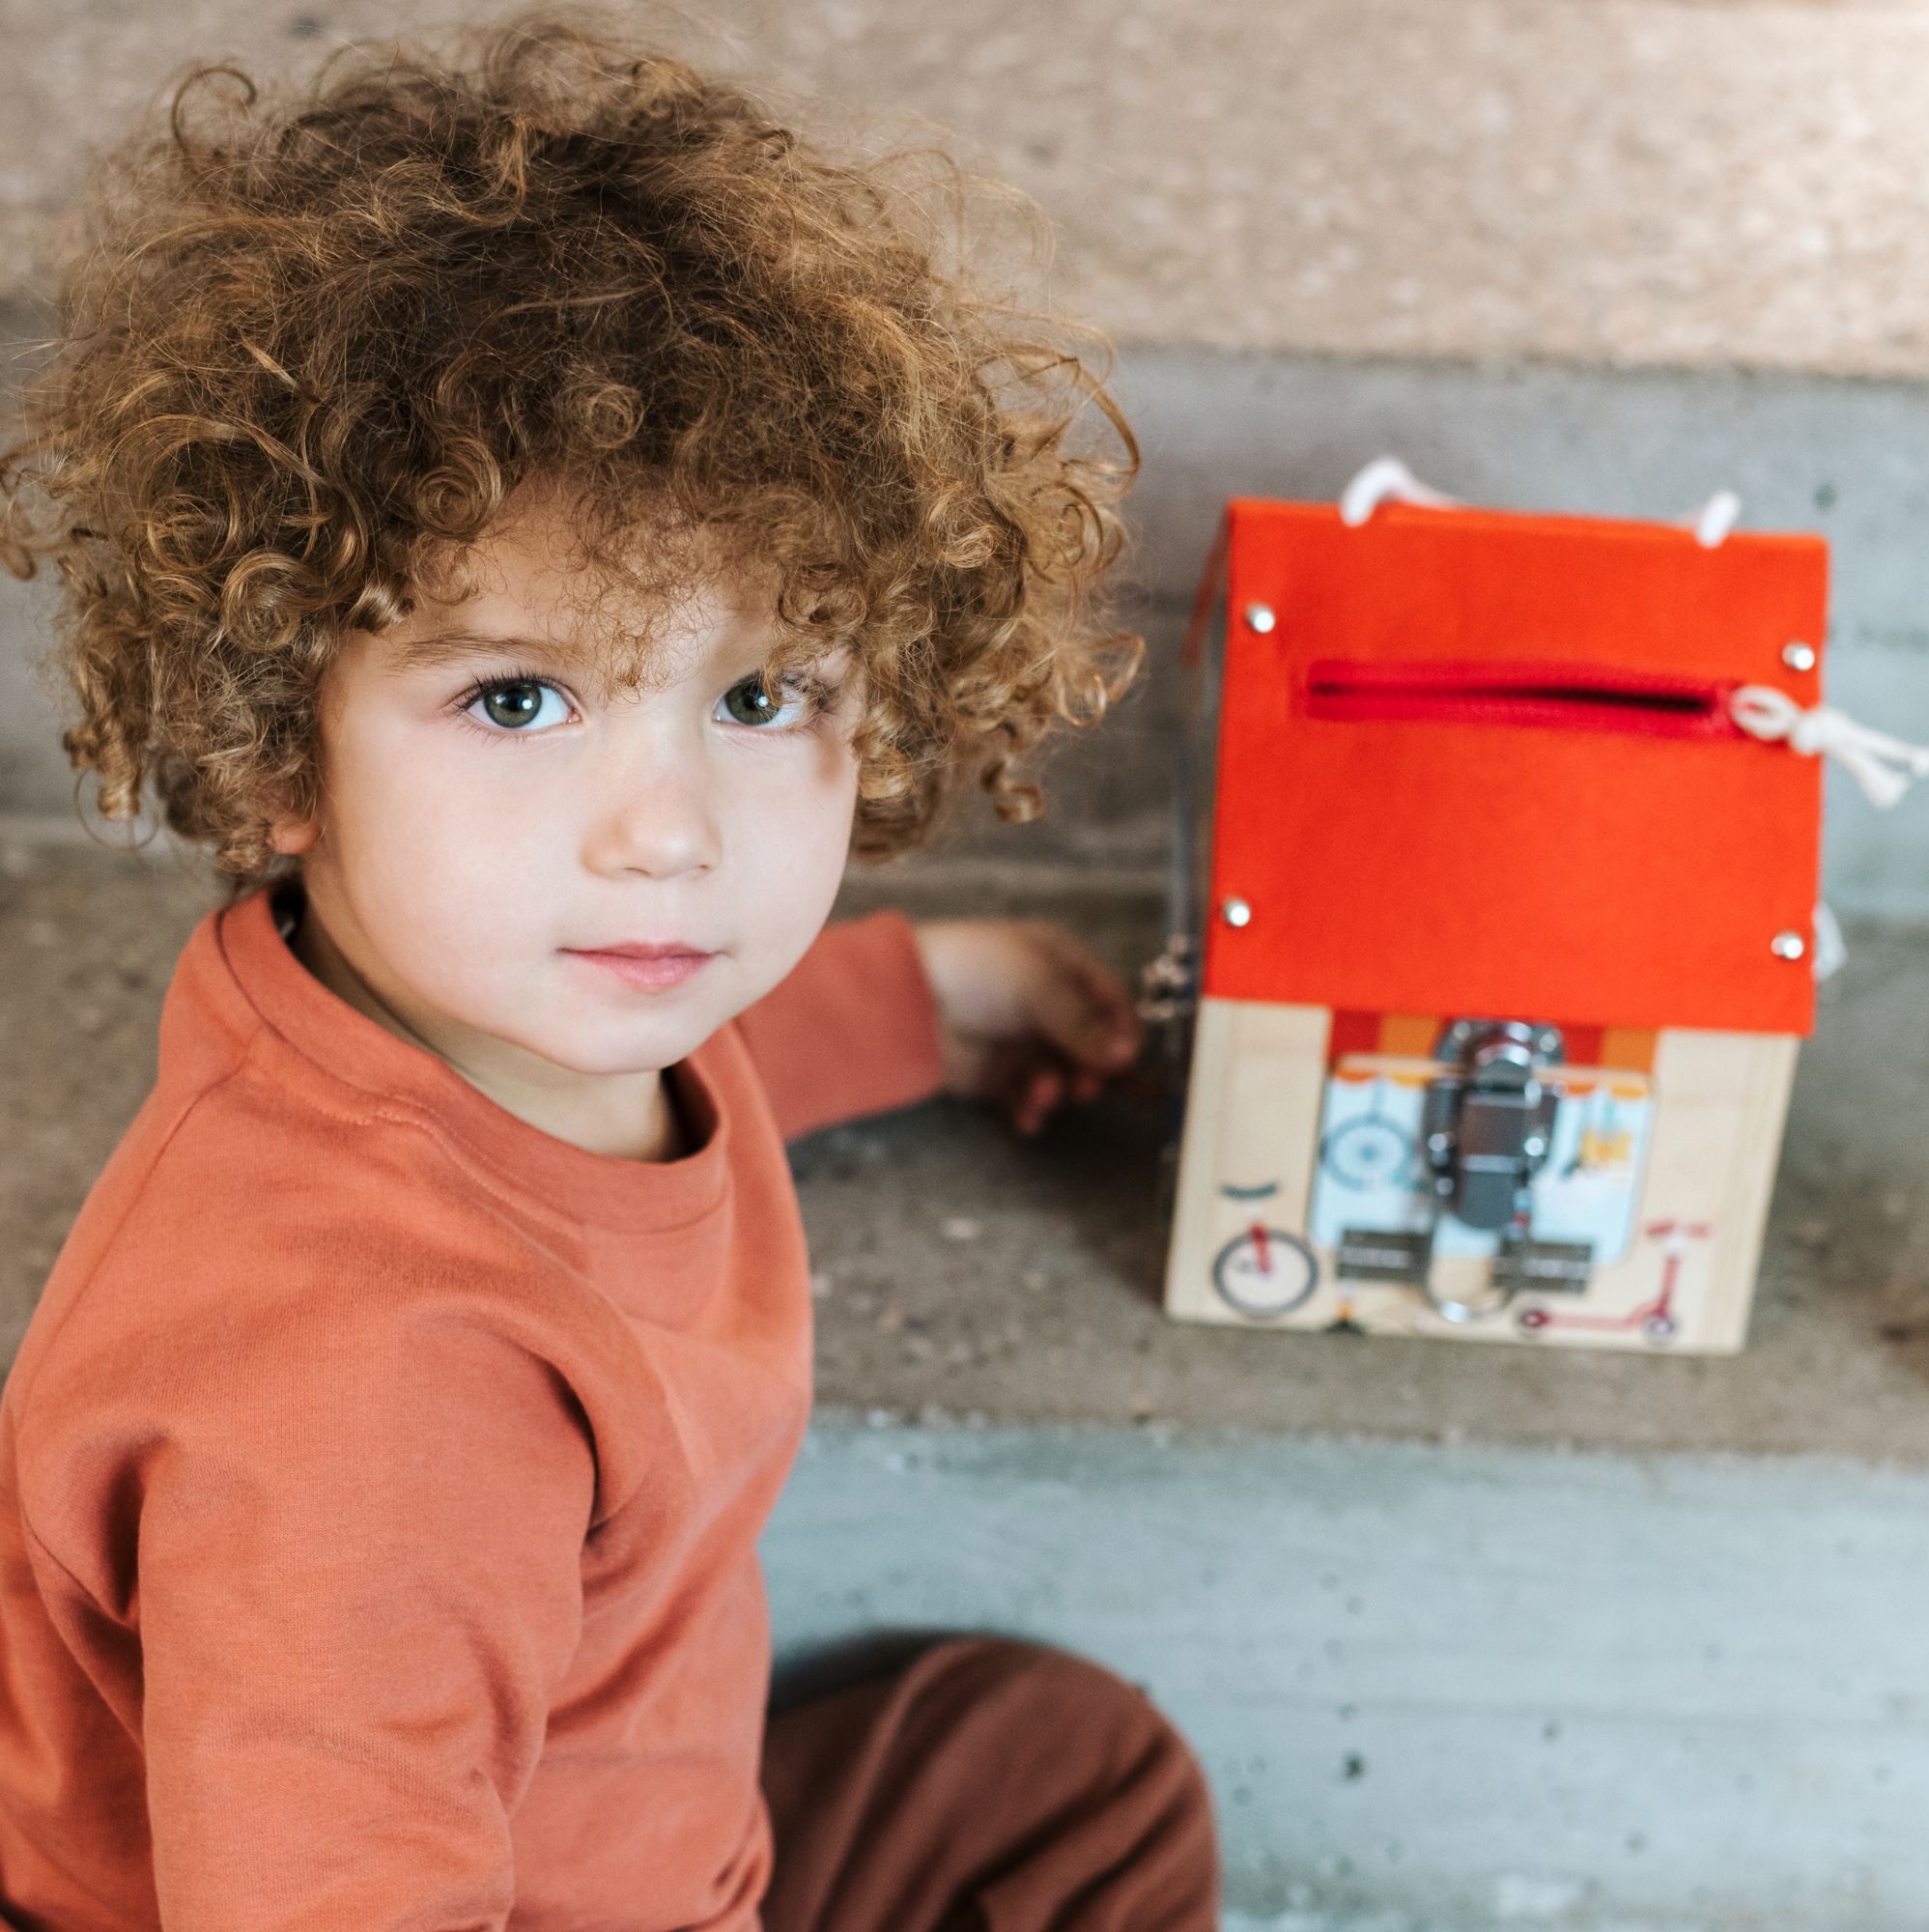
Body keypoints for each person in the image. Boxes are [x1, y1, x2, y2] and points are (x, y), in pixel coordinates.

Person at [0, 11, 1220, 1929]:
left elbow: (698, 1060)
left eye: (757, 694)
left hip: (617, 1829)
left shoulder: (505, 1002)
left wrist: (924, 999)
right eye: (518, 696)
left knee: (1059, 1771)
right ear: (270, 755)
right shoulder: (368, 1401)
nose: (665, 828)